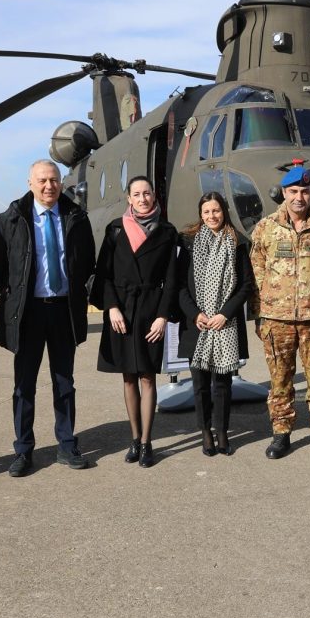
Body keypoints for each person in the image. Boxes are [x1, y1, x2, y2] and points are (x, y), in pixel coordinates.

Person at [0, 159, 96, 477]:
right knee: (24, 385)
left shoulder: (76, 216)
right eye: (42, 180)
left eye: (54, 180)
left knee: (64, 383)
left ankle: (66, 444)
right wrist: (17, 291)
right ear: (30, 183)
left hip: (63, 310)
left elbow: (87, 259)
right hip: (28, 313)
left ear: (61, 182)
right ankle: (23, 450)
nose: (49, 186)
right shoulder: (10, 219)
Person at [248, 163, 310, 459]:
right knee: (280, 381)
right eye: (293, 191)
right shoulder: (266, 227)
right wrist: (259, 316)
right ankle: (281, 433)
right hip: (276, 318)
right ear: (283, 193)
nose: (299, 197)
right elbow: (256, 273)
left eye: (304, 191)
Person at [93, 176, 179, 468]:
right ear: (128, 198)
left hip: (151, 312)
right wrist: (112, 308)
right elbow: (103, 273)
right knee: (128, 376)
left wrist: (163, 316)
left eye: (147, 193)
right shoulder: (115, 230)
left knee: (147, 376)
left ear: (154, 197)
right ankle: (133, 438)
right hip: (123, 312)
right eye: (137, 194)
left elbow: (172, 280)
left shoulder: (167, 232)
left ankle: (146, 443)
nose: (143, 198)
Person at [177, 191, 254, 457]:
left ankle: (222, 432)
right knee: (199, 385)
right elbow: (179, 287)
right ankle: (206, 432)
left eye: (216, 211)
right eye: (207, 212)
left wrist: (225, 313)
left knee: (223, 384)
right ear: (201, 214)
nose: (212, 216)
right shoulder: (188, 243)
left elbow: (246, 285)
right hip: (197, 325)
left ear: (224, 211)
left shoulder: (238, 242)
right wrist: (195, 314)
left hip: (225, 324)